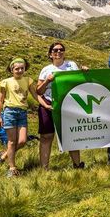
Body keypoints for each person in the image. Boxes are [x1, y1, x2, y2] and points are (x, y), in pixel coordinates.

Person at [36, 42, 87, 170]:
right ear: (50, 54)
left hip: (69, 104)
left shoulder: (72, 65)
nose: (58, 52)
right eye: (55, 50)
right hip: (48, 103)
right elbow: (39, 91)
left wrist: (85, 72)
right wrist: (47, 80)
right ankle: (44, 168)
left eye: (61, 50)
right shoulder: (45, 70)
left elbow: (80, 81)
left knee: (70, 135)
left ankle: (77, 165)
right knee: (46, 136)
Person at [0, 58, 35, 177]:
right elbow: (0, 100)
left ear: (25, 69)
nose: (19, 70)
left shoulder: (28, 80)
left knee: (22, 141)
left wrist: (45, 104)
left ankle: (3, 156)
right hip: (10, 112)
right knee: (12, 142)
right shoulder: (6, 82)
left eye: (22, 68)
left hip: (22, 112)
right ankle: (12, 168)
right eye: (16, 68)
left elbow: (35, 94)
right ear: (12, 69)